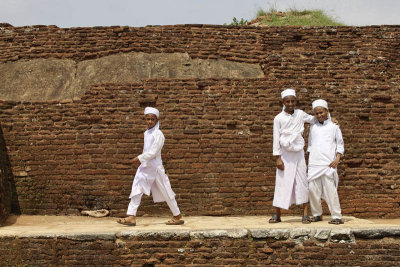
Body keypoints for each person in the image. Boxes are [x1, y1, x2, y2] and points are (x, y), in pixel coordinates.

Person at [117, 107, 184, 226]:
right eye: (147, 119)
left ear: (157, 119)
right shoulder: (147, 133)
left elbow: (153, 152)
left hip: (156, 168)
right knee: (136, 188)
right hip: (145, 167)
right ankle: (131, 216)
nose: (149, 121)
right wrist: (142, 161)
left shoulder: (159, 134)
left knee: (166, 191)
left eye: (152, 119)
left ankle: (177, 215)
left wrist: (138, 158)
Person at [269, 88, 315, 224]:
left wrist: (330, 118)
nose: (290, 103)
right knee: (282, 182)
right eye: (287, 101)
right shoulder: (278, 118)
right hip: (285, 154)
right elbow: (276, 138)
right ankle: (277, 214)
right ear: (282, 102)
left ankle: (305, 214)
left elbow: (314, 119)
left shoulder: (300, 114)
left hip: (299, 152)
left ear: (296, 101)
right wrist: (277, 158)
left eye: (292, 101)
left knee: (302, 180)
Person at [307, 99, 344, 225]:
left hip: (328, 163)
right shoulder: (313, 128)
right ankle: (317, 214)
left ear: (327, 111)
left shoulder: (334, 127)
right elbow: (311, 145)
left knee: (330, 191)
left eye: (321, 112)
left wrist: (337, 159)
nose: (319, 115)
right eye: (316, 113)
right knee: (312, 190)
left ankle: (337, 216)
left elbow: (340, 144)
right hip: (314, 163)